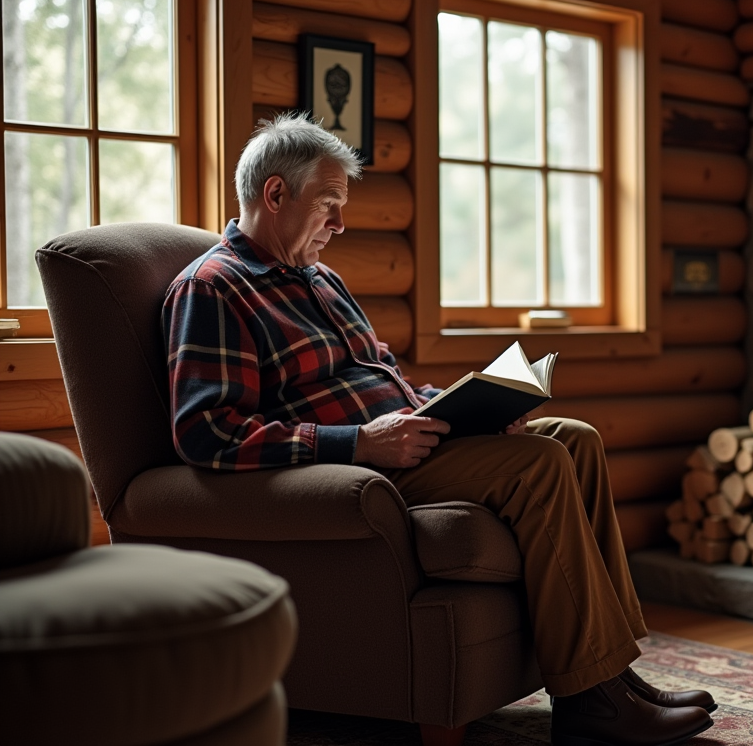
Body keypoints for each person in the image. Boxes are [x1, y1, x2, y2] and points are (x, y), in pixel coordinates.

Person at [162, 113, 716, 746]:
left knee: (574, 439)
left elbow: (382, 381)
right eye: (329, 205)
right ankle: (592, 703)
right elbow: (207, 432)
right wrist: (358, 443)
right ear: (276, 194)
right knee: (539, 466)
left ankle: (615, 677)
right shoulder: (213, 288)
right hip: (353, 468)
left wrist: (465, 404)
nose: (340, 224)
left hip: (403, 440)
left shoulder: (323, 281)